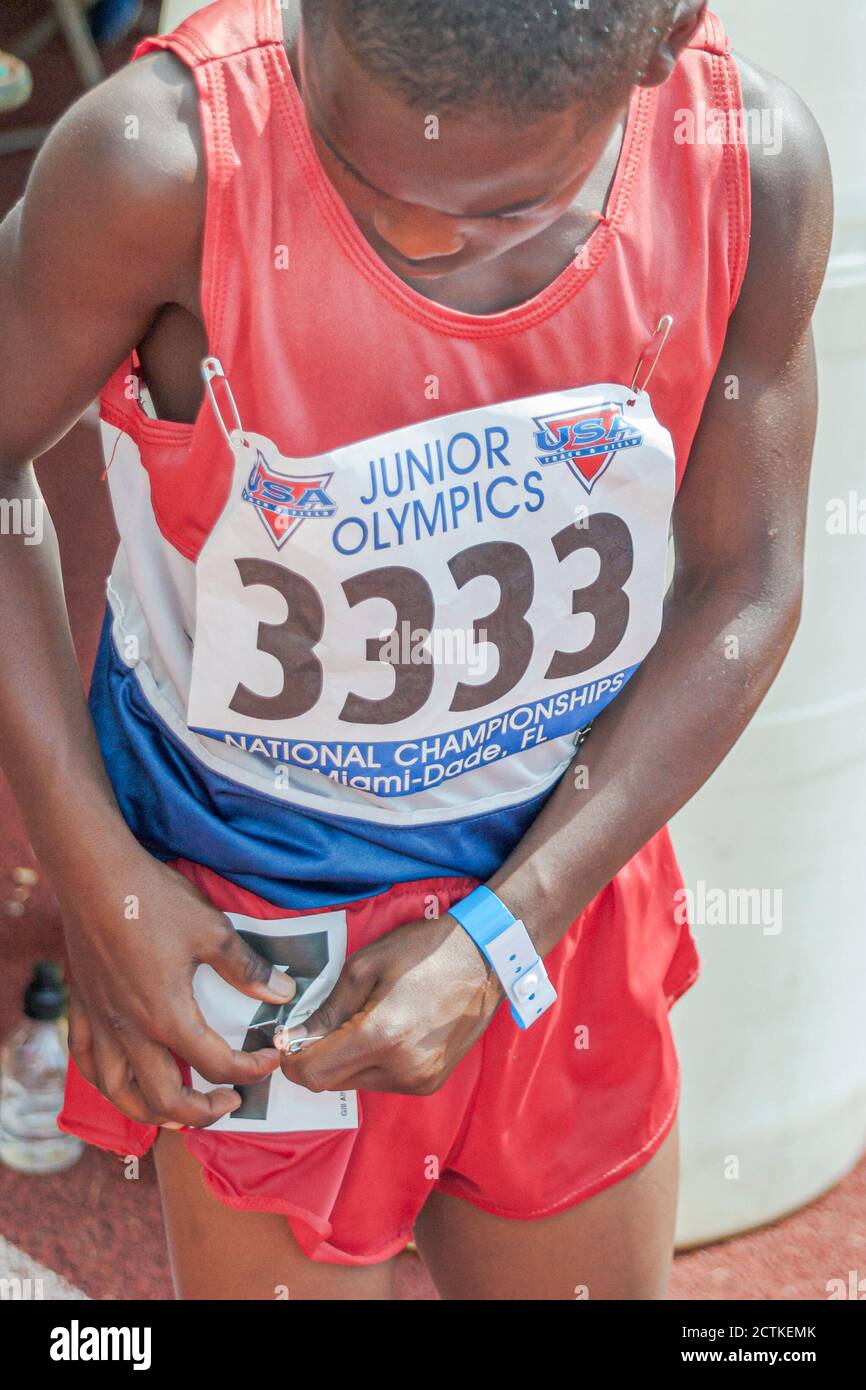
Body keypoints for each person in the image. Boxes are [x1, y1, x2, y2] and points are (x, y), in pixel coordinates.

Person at [0, 0, 831, 1300]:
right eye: (361, 174)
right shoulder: (161, 165)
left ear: (663, 42)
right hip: (247, 910)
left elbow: (750, 579)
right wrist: (97, 882)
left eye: (511, 208)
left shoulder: (747, 160)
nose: (425, 232)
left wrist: (504, 933)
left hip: (560, 890)